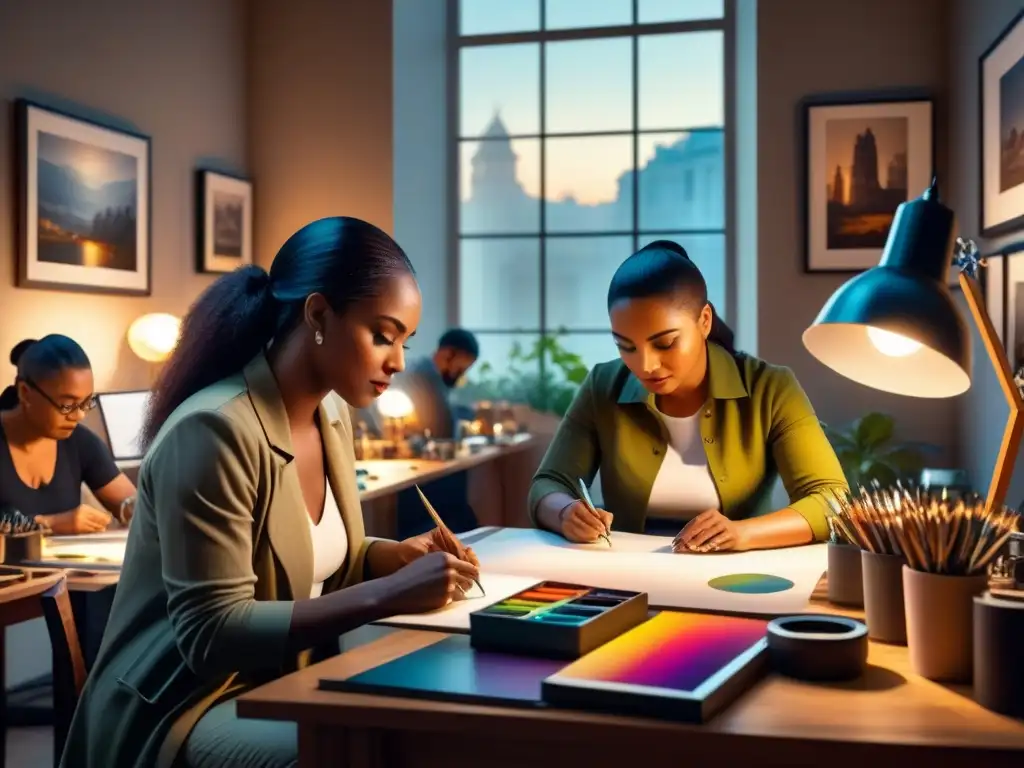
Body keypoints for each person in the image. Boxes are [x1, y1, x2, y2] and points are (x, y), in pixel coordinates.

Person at [60, 217, 481, 768]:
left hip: (283, 677)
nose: (398, 361)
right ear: (318, 315)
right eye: (382, 334)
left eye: (405, 340)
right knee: (363, 749)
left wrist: (390, 559)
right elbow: (211, 633)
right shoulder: (213, 429)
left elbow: (313, 563)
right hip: (185, 703)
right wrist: (388, 594)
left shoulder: (330, 415)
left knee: (432, 725)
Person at [529, 240, 848, 553]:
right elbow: (548, 484)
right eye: (626, 347)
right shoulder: (603, 385)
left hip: (737, 579)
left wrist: (741, 533)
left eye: (665, 343)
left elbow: (831, 500)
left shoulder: (770, 387)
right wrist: (565, 512)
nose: (646, 365)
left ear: (704, 321)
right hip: (626, 576)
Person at [0, 335, 136, 534]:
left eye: (86, 403)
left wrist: (134, 510)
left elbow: (134, 506)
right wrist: (50, 523)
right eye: (67, 405)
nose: (78, 415)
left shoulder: (80, 441)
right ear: (25, 393)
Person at [358, 327, 479, 439]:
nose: (460, 376)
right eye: (459, 370)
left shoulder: (428, 374)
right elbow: (443, 429)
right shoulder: (424, 378)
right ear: (447, 354)